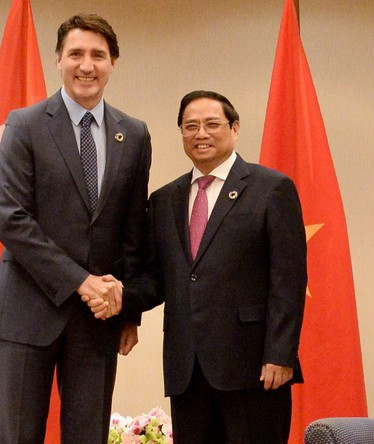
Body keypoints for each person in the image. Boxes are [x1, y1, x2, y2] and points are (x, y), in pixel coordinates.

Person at [94, 90, 307, 442]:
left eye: (212, 124)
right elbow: (156, 278)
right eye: (190, 126)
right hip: (187, 371)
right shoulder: (164, 200)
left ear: (235, 128)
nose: (200, 134)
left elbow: (288, 279)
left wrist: (280, 354)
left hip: (254, 368)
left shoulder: (271, 189)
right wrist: (121, 301)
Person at [0, 13, 151, 444]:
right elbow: (12, 220)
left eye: (98, 55)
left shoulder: (134, 135)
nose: (86, 65)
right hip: (25, 313)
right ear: (58, 60)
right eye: (75, 53)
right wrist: (82, 282)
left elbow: (132, 230)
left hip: (96, 322)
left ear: (114, 63)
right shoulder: (25, 124)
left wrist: (127, 310)